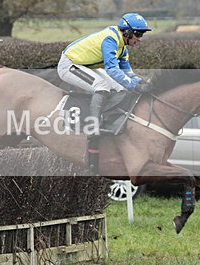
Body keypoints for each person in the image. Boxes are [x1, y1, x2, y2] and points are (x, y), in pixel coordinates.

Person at [56, 12, 151, 174]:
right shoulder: (111, 40)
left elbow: (128, 73)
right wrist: (133, 85)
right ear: (126, 32)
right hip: (69, 65)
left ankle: (109, 118)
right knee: (102, 86)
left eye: (141, 34)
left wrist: (141, 82)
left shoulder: (122, 48)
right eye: (138, 33)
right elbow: (112, 70)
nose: (139, 38)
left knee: (121, 87)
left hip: (84, 66)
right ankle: (93, 125)